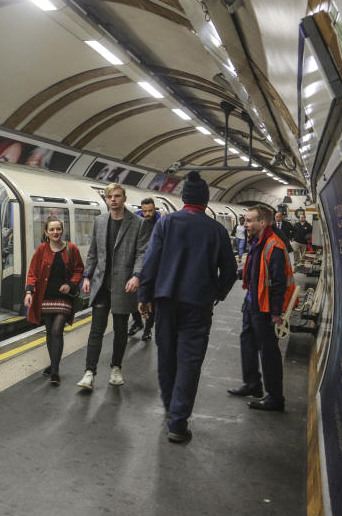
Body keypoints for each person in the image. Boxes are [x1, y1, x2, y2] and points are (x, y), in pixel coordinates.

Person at [138, 172, 237, 443]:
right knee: (190, 362)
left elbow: (151, 261)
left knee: (167, 356)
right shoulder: (216, 230)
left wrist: (144, 295)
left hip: (165, 302)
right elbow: (230, 271)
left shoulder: (166, 223)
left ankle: (170, 406)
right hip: (198, 305)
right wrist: (216, 293)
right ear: (205, 201)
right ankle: (178, 423)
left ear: (184, 199)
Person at [77, 183, 151, 389]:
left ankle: (116, 368)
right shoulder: (100, 221)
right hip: (101, 285)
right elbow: (93, 252)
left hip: (123, 285)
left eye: (117, 196)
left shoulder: (137, 223)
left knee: (120, 330)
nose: (113, 200)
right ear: (106, 199)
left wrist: (136, 276)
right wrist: (86, 276)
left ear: (124, 198)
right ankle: (89, 372)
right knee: (96, 330)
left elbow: (142, 253)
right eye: (110, 197)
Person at [228, 205, 295, 412]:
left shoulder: (274, 246)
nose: (245, 224)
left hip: (265, 307)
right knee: (247, 340)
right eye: (245, 221)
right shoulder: (258, 242)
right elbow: (256, 271)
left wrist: (276, 312)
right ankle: (252, 384)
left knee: (268, 352)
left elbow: (278, 282)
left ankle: (275, 397)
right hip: (252, 302)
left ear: (262, 223)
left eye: (249, 221)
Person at [24, 218, 84, 386]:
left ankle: (55, 370)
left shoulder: (71, 249)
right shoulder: (42, 250)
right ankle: (53, 363)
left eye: (58, 229)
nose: (55, 232)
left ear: (62, 230)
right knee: (50, 332)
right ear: (46, 233)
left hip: (64, 298)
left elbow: (79, 269)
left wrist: (70, 284)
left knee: (57, 330)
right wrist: (29, 291)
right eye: (52, 230)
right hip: (45, 297)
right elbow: (33, 273)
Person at [129, 198, 160, 340]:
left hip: (154, 264)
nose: (147, 214)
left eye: (150, 211)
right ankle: (137, 321)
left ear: (155, 209)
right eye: (145, 211)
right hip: (137, 261)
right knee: (132, 295)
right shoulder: (136, 219)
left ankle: (148, 329)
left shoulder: (161, 221)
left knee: (149, 298)